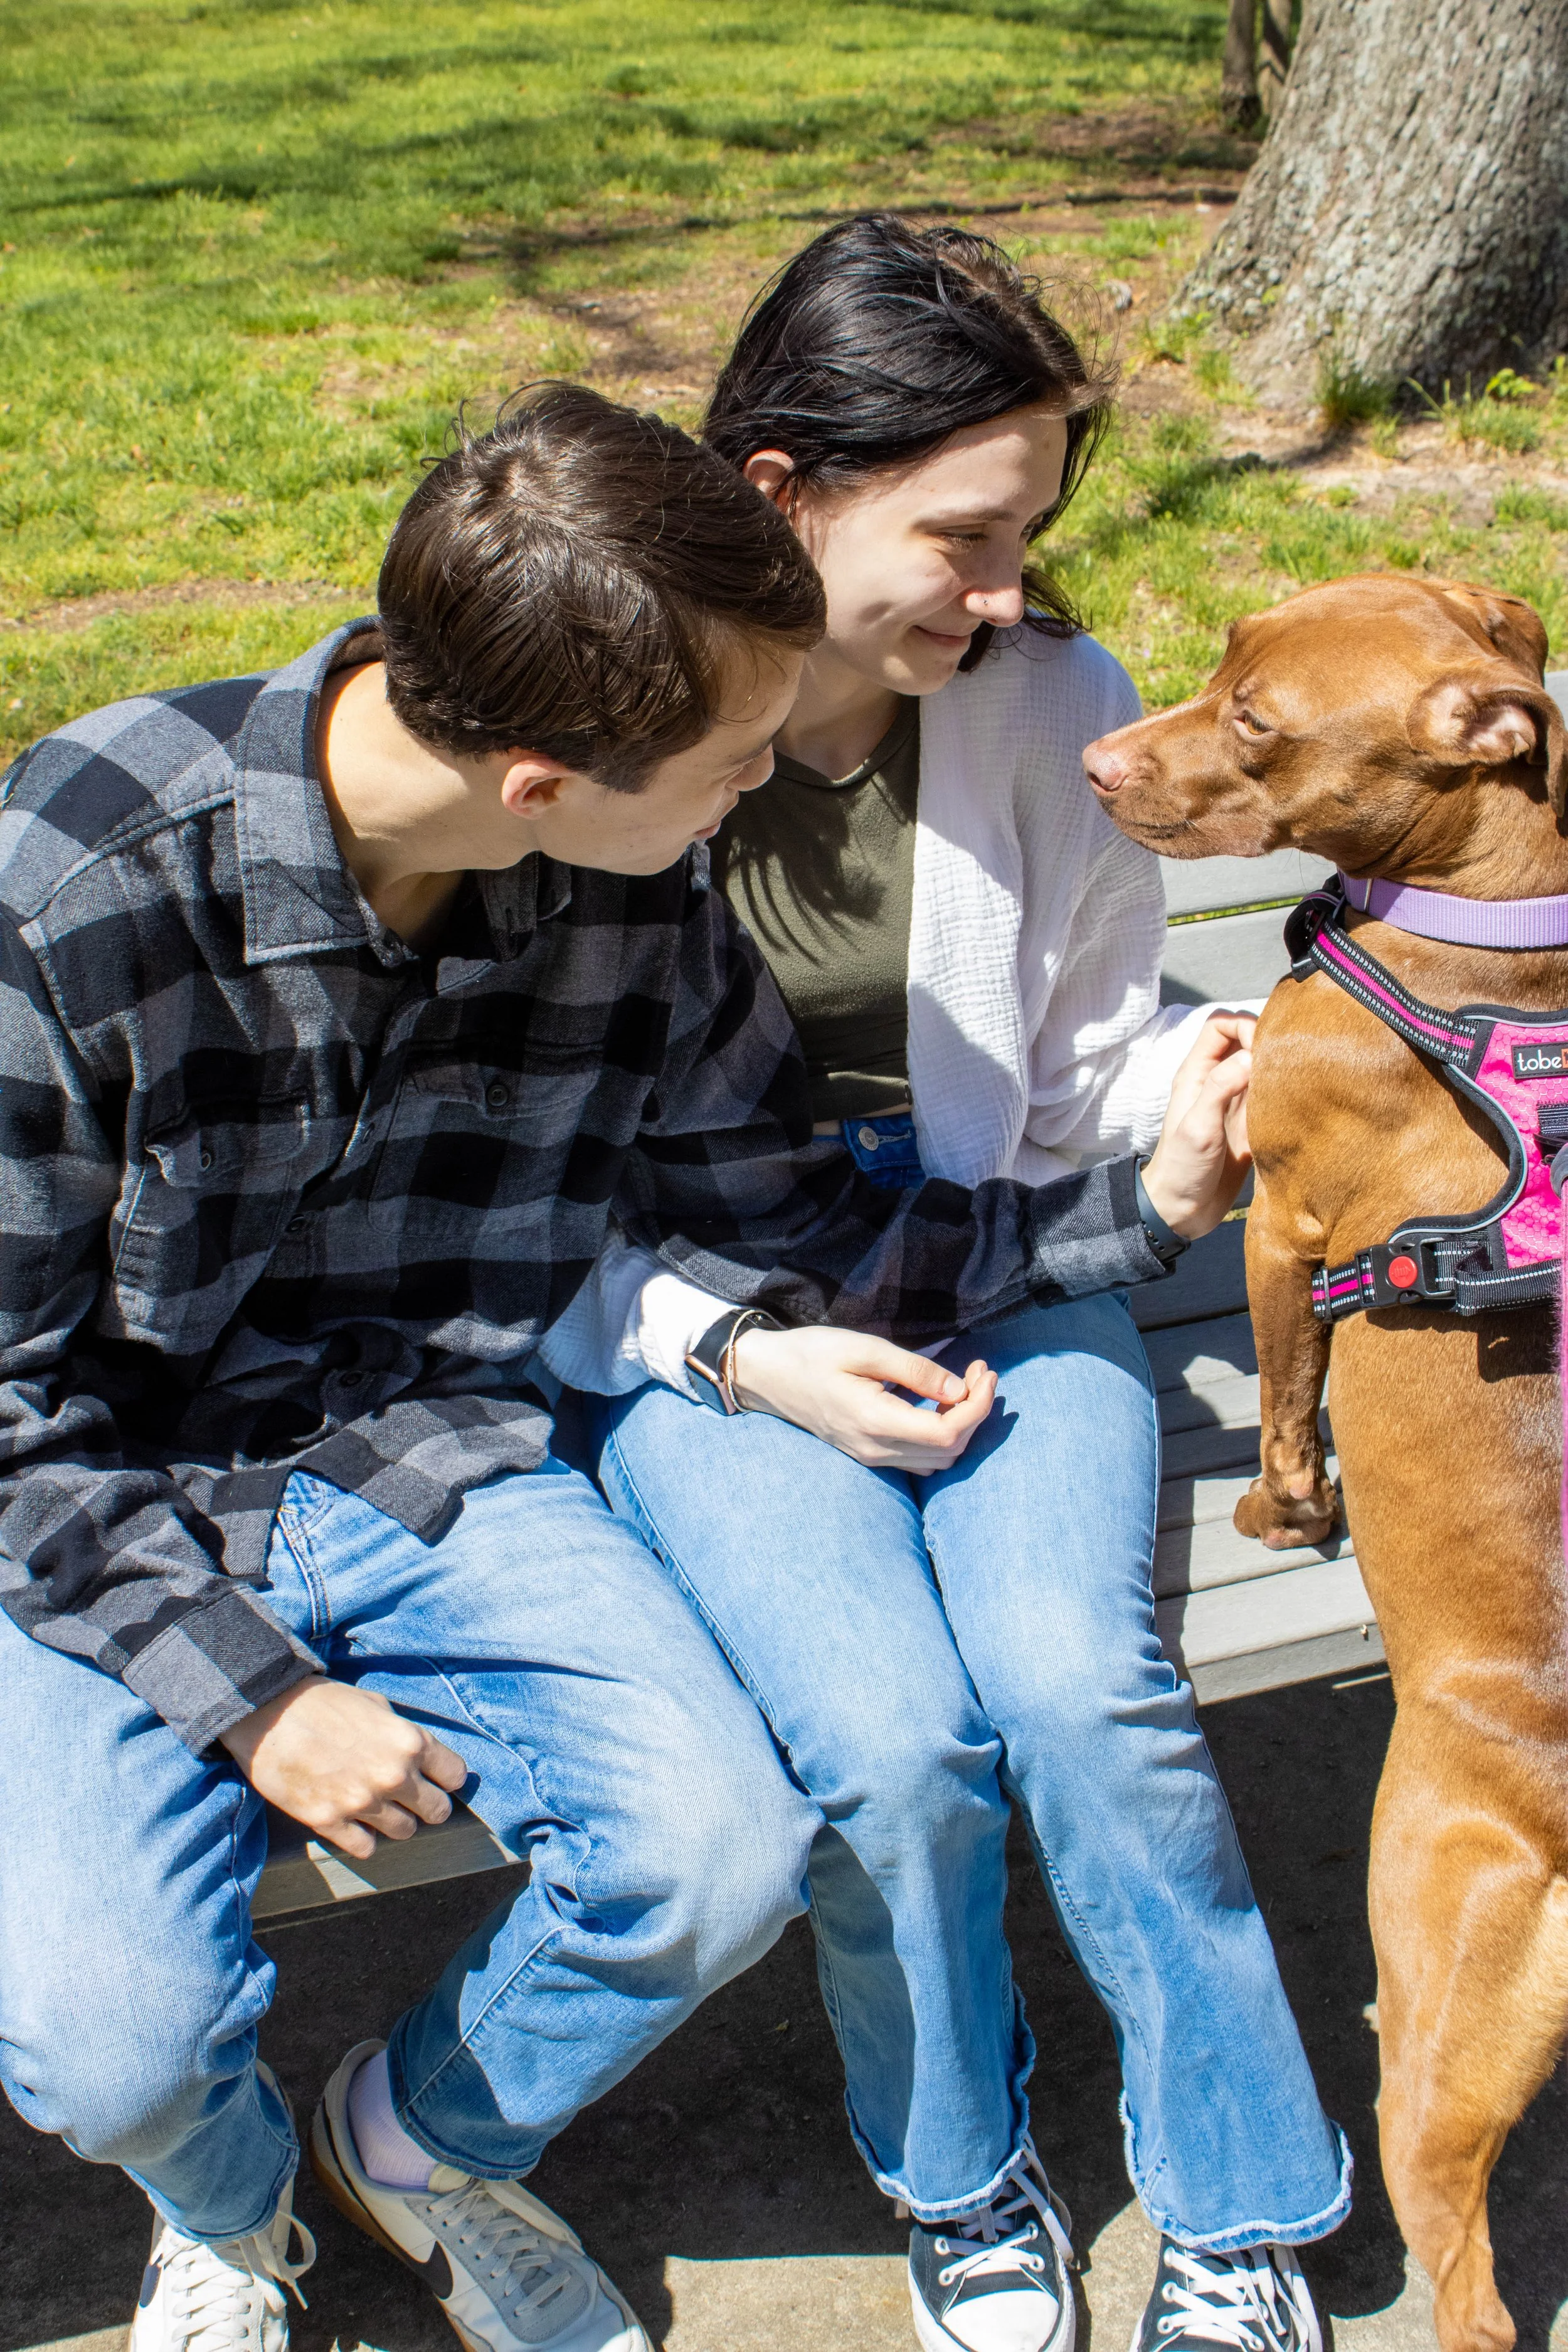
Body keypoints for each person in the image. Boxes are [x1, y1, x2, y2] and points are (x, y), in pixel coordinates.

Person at [0, 381, 1251, 2352]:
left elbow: (806, 1223)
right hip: (94, 1509)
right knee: (109, 2046)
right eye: (734, 758)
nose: (760, 794)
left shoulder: (636, 887)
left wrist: (1146, 1208)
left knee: (716, 1852)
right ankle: (231, 2218)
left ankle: (405, 2143)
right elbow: (7, 1420)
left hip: (425, 1452)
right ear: (535, 783)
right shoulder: (76, 884)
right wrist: (257, 1705)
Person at [564, 217, 1352, 2352]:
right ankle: (959, 2167)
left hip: (1013, 1239)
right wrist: (729, 1351)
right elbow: (525, 1190)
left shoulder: (1043, 698)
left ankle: (1235, 2201)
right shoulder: (600, 722)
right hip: (710, 1301)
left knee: (1080, 1695)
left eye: (1024, 538)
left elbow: (1080, 1046)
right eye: (965, 536)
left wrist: (1178, 1114)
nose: (1005, 595)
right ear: (777, 487)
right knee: (895, 1748)